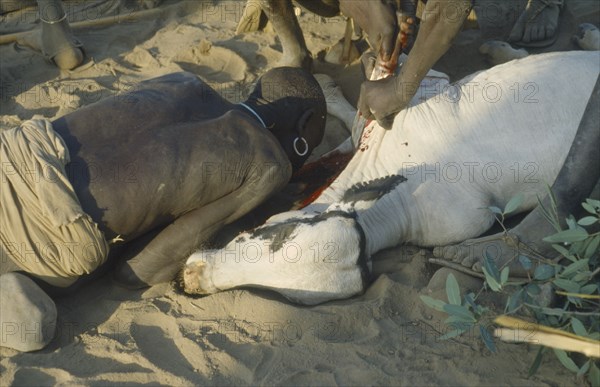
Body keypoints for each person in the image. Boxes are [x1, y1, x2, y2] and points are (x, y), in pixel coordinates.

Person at [0, 67, 327, 351]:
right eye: (308, 148)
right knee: (34, 325)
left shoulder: (183, 80)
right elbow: (139, 271)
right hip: (38, 230)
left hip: (13, 152)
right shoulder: (269, 164)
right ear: (303, 124)